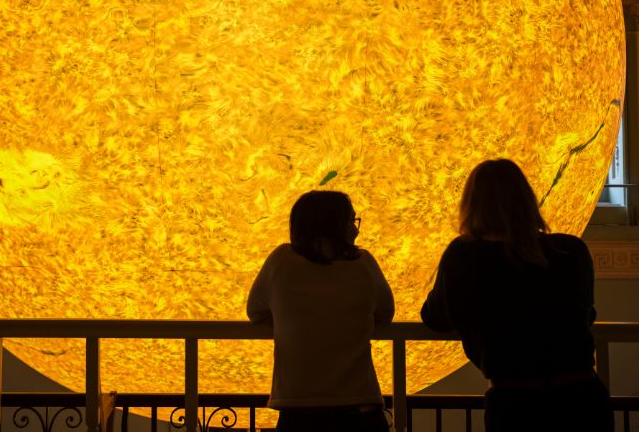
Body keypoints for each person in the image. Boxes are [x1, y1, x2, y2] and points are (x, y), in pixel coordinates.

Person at [421, 159, 613, 432]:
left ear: (471, 205)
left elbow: (436, 317)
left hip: (515, 402)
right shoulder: (571, 250)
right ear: (527, 199)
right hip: (583, 397)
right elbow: (586, 313)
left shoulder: (464, 255)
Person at [247, 190, 395, 432]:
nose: (356, 230)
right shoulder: (364, 263)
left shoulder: (281, 262)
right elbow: (385, 313)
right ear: (335, 226)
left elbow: (255, 311)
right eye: (351, 221)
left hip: (298, 410)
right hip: (360, 407)